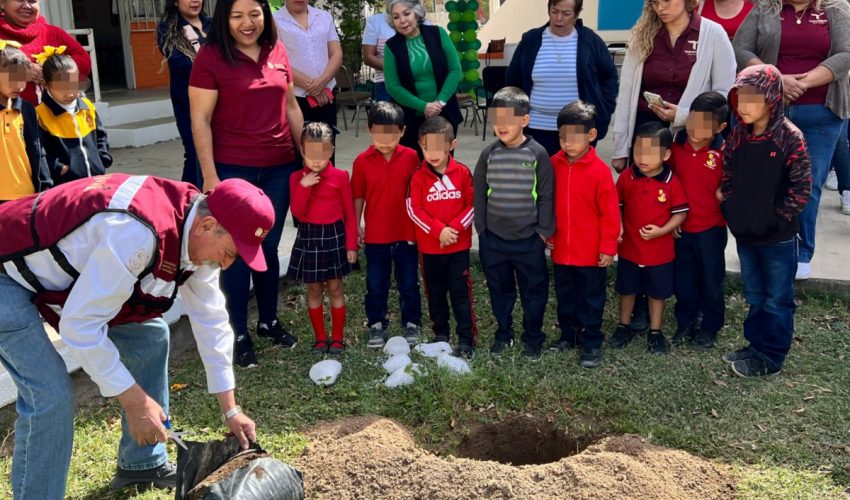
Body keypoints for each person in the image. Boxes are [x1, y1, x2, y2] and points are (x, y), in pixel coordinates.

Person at [0, 174, 262, 497]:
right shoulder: (136, 234)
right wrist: (136, 402)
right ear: (207, 226)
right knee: (50, 396)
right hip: (4, 272)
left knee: (150, 336)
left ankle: (142, 463)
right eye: (231, 252)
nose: (227, 264)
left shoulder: (193, 227)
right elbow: (79, 326)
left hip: (41, 270)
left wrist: (230, 410)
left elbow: (211, 320)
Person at [189, 0, 303, 368]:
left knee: (267, 245)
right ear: (224, 19)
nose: (247, 23)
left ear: (265, 15)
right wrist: (210, 176)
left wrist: (306, 158)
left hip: (279, 168)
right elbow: (200, 120)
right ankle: (237, 331)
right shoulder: (210, 57)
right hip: (233, 169)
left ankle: (269, 320)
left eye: (254, 14)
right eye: (237, 16)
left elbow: (291, 107)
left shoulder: (277, 50)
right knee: (236, 252)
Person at [733, 0, 850, 280]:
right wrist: (775, 79)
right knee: (764, 180)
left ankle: (801, 252)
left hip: (821, 112)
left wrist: (801, 83)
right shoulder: (765, 7)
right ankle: (762, 243)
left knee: (808, 184)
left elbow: (845, 54)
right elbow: (741, 48)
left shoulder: (836, 9)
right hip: (769, 111)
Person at [719, 64, 811, 377]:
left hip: (777, 238)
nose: (744, 107)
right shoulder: (737, 135)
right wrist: (733, 209)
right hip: (746, 234)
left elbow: (801, 188)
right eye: (740, 98)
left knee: (777, 300)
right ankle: (755, 346)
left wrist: (776, 218)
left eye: (752, 99)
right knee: (756, 295)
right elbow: (727, 175)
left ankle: (771, 356)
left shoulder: (789, 138)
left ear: (772, 98)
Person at [473, 87, 555, 360]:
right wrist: (482, 231)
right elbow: (479, 194)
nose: (501, 125)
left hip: (529, 241)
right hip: (494, 240)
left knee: (534, 292)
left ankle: (533, 337)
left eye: (508, 119)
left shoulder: (537, 154)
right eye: (496, 119)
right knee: (500, 290)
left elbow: (546, 195)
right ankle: (503, 333)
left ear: (525, 120)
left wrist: (542, 234)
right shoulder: (488, 154)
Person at [611, 0, 736, 172]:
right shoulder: (642, 34)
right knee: (645, 188)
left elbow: (723, 93)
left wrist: (684, 116)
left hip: (693, 136)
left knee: (689, 186)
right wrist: (620, 149)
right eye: (655, 2)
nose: (660, 7)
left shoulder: (713, 33)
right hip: (646, 130)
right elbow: (626, 92)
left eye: (667, 1)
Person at [547, 101, 620, 368]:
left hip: (590, 253)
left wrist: (608, 247)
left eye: (574, 137)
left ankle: (591, 341)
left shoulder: (600, 172)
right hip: (562, 250)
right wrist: (549, 233)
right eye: (562, 137)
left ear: (591, 135)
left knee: (591, 298)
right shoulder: (553, 165)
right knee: (565, 295)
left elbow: (610, 213)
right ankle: (569, 335)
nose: (567, 143)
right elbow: (547, 203)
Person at [612, 122, 689, 355]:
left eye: (650, 153)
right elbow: (616, 205)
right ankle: (623, 325)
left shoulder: (671, 181)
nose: (642, 158)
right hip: (630, 249)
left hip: (660, 253)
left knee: (658, 293)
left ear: (666, 155)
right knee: (627, 289)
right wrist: (619, 226)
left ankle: (655, 332)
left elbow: (681, 213)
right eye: (638, 151)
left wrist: (663, 230)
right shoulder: (627, 177)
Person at [506, 0, 619, 156]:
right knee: (537, 171)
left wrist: (604, 110)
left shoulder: (590, 41)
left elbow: (609, 77)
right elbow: (513, 81)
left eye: (566, 13)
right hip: (535, 129)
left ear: (576, 15)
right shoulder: (530, 40)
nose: (559, 18)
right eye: (554, 11)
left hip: (578, 130)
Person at [352, 101, 422, 348]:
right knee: (376, 284)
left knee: (409, 282)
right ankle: (376, 324)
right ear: (369, 130)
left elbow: (420, 191)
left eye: (391, 135)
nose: (384, 141)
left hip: (407, 233)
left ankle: (412, 321)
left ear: (402, 131)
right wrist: (356, 224)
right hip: (376, 235)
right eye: (379, 134)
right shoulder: (361, 162)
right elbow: (358, 195)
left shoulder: (412, 157)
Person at [406, 116, 476, 357]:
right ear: (420, 145)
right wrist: (438, 231)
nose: (432, 153)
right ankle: (441, 335)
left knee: (460, 294)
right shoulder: (417, 176)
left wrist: (453, 229)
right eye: (427, 148)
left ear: (452, 145)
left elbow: (472, 205)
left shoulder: (463, 172)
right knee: (435, 294)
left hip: (458, 247)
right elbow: (414, 210)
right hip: (430, 249)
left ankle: (466, 339)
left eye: (438, 147)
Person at [287, 122, 357, 355]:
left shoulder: (340, 176)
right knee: (314, 289)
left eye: (322, 153)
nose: (316, 160)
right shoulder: (296, 178)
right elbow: (298, 213)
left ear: (331, 151)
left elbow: (349, 214)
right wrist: (304, 186)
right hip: (310, 236)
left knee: (335, 288)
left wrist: (351, 245)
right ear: (302, 150)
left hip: (334, 235)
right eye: (311, 154)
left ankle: (337, 338)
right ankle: (320, 338)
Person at [668, 91, 728, 349]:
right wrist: (671, 221)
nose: (696, 129)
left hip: (711, 229)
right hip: (681, 229)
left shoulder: (725, 152)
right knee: (683, 280)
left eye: (705, 125)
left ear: (720, 128)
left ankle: (709, 326)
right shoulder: (673, 146)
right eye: (693, 120)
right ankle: (685, 321)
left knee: (711, 281)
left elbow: (733, 185)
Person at [384, 0, 463, 156]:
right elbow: (392, 86)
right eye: (396, 17)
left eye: (407, 14)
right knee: (414, 165)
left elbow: (455, 70)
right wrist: (423, 106)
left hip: (444, 114)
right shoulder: (391, 46)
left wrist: (439, 102)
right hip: (410, 119)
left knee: (441, 162)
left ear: (417, 13)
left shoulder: (438, 33)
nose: (402, 20)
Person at [274, 0, 341, 163]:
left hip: (326, 96)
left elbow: (336, 53)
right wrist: (313, 87)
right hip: (294, 99)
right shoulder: (274, 21)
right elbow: (277, 60)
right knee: (300, 155)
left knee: (326, 153)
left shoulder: (323, 17)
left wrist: (322, 82)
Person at [35, 49, 112, 185]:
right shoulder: (39, 115)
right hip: (65, 186)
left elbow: (101, 136)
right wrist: (59, 168)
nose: (69, 93)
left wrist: (102, 157)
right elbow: (39, 152)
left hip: (97, 180)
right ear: (46, 85)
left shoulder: (88, 106)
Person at [158, 0, 211, 188]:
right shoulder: (168, 29)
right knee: (195, 153)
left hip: (220, 103)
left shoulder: (212, 25)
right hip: (189, 104)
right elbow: (182, 64)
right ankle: (187, 199)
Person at [0, 0, 90, 105]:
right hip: (9, 113)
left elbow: (84, 61)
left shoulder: (53, 33)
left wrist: (53, 70)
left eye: (32, 1)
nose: (27, 6)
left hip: (56, 112)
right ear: (2, 3)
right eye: (20, 0)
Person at [0, 40, 50, 202]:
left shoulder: (27, 110)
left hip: (27, 195)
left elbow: (38, 149)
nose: (19, 86)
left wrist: (46, 185)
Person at [362, 4, 397, 102]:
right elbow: (368, 57)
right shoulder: (375, 21)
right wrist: (401, 69)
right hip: (386, 84)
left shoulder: (423, 22)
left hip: (418, 83)